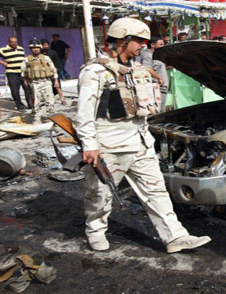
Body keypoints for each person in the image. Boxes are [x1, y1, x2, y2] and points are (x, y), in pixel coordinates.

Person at [75, 17, 210, 253]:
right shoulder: (95, 72)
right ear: (122, 39)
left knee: (156, 191)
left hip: (140, 143)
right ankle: (95, 231)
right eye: (138, 41)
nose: (143, 46)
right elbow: (84, 112)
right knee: (100, 194)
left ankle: (175, 236)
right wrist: (89, 145)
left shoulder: (135, 70)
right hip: (109, 144)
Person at [0, 36, 31, 111]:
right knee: (15, 91)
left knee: (28, 89)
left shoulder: (21, 48)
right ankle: (20, 106)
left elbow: (24, 58)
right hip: (12, 73)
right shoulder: (4, 50)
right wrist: (2, 62)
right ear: (9, 42)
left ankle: (30, 104)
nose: (14, 43)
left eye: (15, 42)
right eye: (12, 42)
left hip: (22, 73)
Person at [21, 38, 57, 121]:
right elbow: (23, 72)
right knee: (36, 102)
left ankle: (51, 118)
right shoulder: (27, 59)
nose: (35, 49)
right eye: (33, 48)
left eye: (37, 47)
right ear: (30, 49)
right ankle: (36, 118)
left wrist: (56, 81)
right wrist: (25, 81)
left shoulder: (46, 58)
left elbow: (53, 69)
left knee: (49, 101)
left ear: (40, 48)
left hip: (46, 81)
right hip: (34, 83)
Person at [139, 37, 169, 111]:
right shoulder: (147, 55)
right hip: (156, 88)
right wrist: (158, 77)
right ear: (152, 45)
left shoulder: (157, 55)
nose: (163, 46)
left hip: (162, 87)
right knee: (158, 110)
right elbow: (146, 68)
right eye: (160, 44)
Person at [41, 39, 66, 105]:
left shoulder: (53, 52)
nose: (45, 46)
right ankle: (52, 99)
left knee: (57, 86)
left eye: (46, 45)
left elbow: (57, 63)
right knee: (48, 87)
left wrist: (55, 72)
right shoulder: (40, 54)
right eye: (44, 45)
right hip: (44, 73)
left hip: (53, 71)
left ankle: (62, 99)